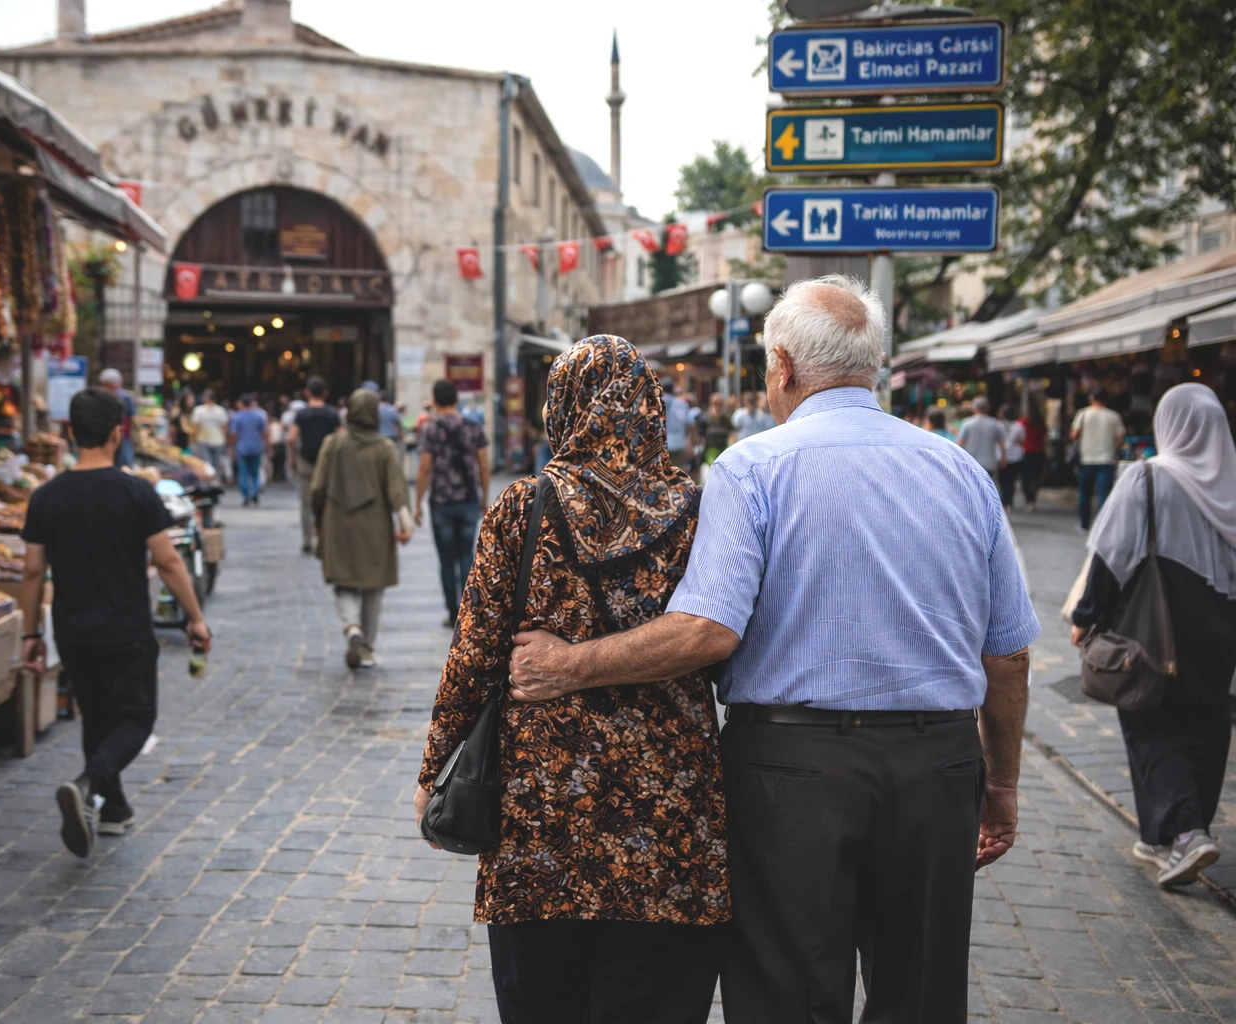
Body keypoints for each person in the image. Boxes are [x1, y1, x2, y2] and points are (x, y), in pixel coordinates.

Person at [510, 276, 1038, 1024]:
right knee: (921, 997)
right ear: (873, 366)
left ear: (782, 366)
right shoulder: (962, 473)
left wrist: (568, 664)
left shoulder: (752, 468)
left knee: (787, 997)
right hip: (937, 768)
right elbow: (1009, 656)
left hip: (792, 776)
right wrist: (1001, 784)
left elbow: (706, 632)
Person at [415, 335, 728, 1023]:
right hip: (669, 816)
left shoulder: (523, 509)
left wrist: (433, 770)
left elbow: (472, 658)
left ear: (562, 407)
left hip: (542, 812)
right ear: (650, 408)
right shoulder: (701, 514)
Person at [20, 387, 211, 858]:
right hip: (125, 627)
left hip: (71, 628)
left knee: (97, 716)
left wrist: (29, 633)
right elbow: (167, 562)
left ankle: (112, 809)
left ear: (69, 433)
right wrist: (195, 617)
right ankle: (89, 786)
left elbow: (30, 571)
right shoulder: (135, 491)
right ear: (117, 433)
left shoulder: (45, 496)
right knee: (137, 719)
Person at [1070, 383, 1236, 888]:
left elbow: (1110, 555)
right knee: (1206, 725)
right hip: (1221, 630)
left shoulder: (1145, 478)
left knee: (1151, 723)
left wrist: (1085, 614)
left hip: (1155, 627)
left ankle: (1187, 833)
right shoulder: (1230, 484)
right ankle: (1164, 835)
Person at [310, 388, 413, 669]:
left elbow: (317, 487)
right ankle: (366, 646)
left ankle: (351, 628)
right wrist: (406, 526)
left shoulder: (333, 444)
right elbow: (396, 492)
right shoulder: (385, 447)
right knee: (373, 586)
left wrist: (317, 520)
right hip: (375, 526)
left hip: (337, 522)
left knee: (343, 582)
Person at [413, 379, 490, 627]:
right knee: (466, 555)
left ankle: (452, 610)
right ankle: (468, 611)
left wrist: (417, 503)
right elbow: (484, 465)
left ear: (434, 401)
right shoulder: (473, 427)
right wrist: (484, 497)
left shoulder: (431, 430)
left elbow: (425, 468)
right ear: (457, 399)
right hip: (468, 499)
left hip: (441, 501)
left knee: (446, 559)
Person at [290, 377, 341, 554]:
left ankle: (307, 540)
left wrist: (292, 458)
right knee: (327, 501)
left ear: (307, 393)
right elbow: (340, 437)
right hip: (327, 463)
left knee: (306, 503)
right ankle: (324, 538)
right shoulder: (332, 414)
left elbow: (291, 438)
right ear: (325, 393)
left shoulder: (302, 414)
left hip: (306, 461)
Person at [1072, 388, 1126, 530]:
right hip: (1106, 459)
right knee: (1103, 495)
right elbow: (1120, 438)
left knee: (1084, 494)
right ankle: (1101, 527)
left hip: (1086, 459)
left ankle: (1084, 524)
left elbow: (1074, 434)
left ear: (1091, 398)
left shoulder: (1083, 414)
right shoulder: (1114, 416)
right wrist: (1115, 447)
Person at [228, 393, 269, 506]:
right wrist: (267, 445)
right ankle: (255, 492)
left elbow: (233, 434)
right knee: (255, 472)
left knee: (243, 473)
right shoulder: (259, 416)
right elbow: (265, 432)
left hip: (242, 448)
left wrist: (231, 447)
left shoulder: (237, 417)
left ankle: (246, 495)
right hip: (256, 447)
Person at [957, 395, 1007, 485]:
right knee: (988, 487)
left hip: (971, 462)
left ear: (974, 408)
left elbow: (960, 442)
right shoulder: (996, 424)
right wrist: (1003, 458)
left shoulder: (966, 423)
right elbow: (1002, 444)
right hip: (990, 462)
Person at [98, 368, 136, 467]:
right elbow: (130, 419)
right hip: (114, 435)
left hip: (118, 435)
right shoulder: (125, 397)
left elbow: (129, 419)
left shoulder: (125, 398)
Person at [191, 389, 229, 482]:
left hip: (204, 440)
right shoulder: (220, 410)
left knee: (207, 463)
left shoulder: (199, 410)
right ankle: (213, 481)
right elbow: (224, 428)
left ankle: (211, 481)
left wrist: (192, 440)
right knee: (214, 464)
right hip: (218, 441)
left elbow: (195, 427)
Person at [998, 405, 1027, 510]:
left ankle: (1004, 501)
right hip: (1016, 456)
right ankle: (1009, 502)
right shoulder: (1019, 426)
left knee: (1003, 481)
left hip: (1001, 456)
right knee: (1011, 480)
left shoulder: (998, 425)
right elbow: (1023, 440)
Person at [1020, 409, 1047, 512]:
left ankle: (1029, 499)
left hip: (1026, 452)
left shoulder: (1023, 423)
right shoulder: (1041, 424)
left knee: (1025, 478)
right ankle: (1033, 499)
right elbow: (1045, 439)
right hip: (1039, 453)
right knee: (1036, 477)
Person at [661, 379, 691, 467]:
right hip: (680, 442)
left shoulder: (657, 403)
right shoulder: (682, 404)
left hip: (662, 444)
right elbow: (688, 424)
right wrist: (689, 442)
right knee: (680, 473)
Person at [701, 391, 733, 465]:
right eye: (715, 403)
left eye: (720, 404)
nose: (717, 406)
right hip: (709, 451)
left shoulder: (726, 419)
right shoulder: (705, 418)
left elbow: (731, 434)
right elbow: (701, 436)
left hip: (723, 451)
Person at [266, 405, 288, 483]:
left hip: (276, 444)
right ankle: (276, 475)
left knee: (277, 462)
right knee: (276, 462)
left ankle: (276, 475)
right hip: (276, 444)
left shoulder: (274, 425)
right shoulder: (275, 424)